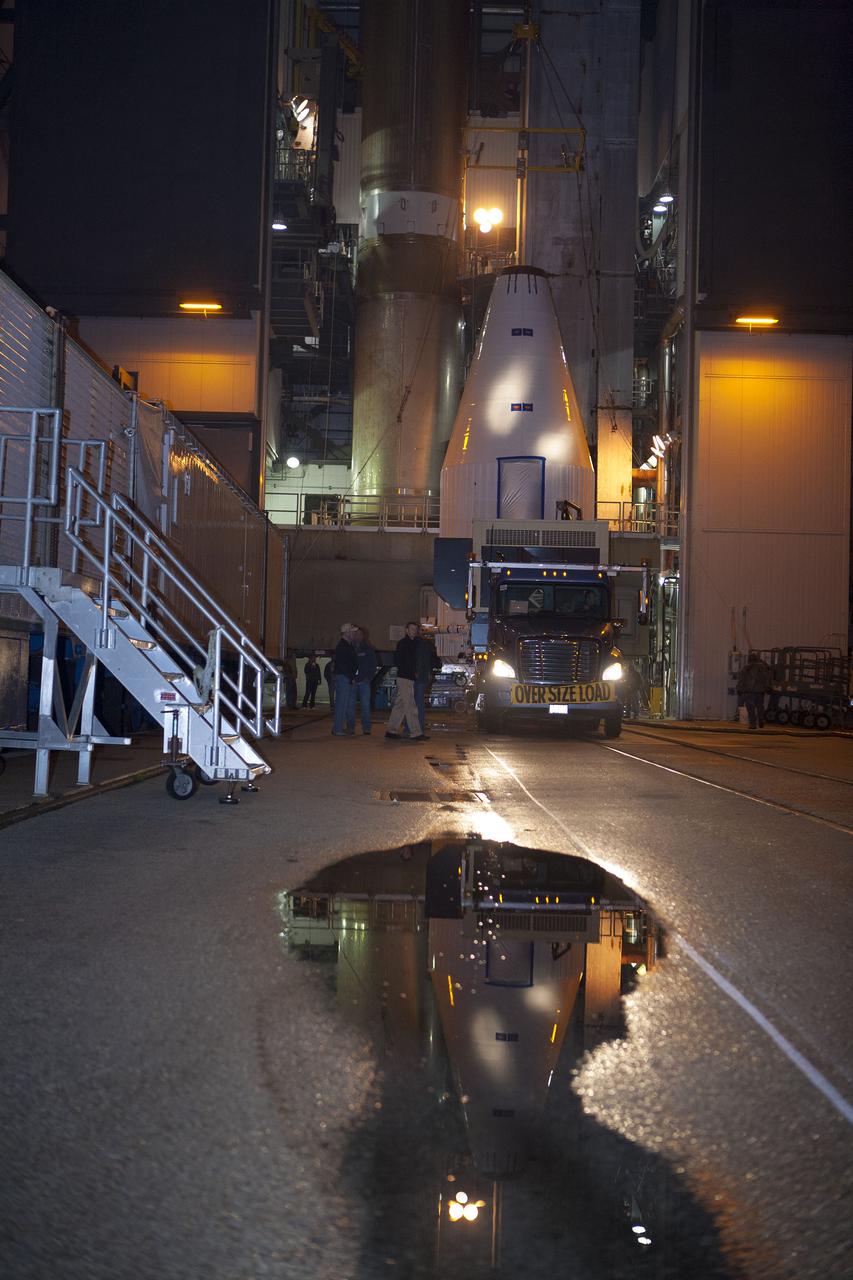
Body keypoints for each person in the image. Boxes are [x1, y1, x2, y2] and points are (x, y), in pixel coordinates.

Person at [385, 621, 427, 741]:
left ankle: (391, 731)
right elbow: (401, 660)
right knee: (410, 705)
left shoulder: (411, 643)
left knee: (401, 704)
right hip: (405, 677)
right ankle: (416, 732)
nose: (414, 631)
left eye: (415, 629)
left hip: (406, 677)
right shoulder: (404, 643)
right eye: (411, 629)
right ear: (406, 630)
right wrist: (412, 671)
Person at [348, 627, 378, 735]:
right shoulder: (349, 648)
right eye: (356, 634)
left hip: (364, 682)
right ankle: (351, 728)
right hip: (352, 682)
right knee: (350, 706)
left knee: (365, 706)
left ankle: (366, 728)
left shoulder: (368, 648)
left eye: (360, 634)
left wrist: (368, 678)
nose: (358, 636)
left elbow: (373, 664)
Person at [331, 624, 358, 736]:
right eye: (352, 632)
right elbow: (342, 665)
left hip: (346, 677)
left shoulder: (347, 645)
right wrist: (350, 677)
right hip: (344, 678)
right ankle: (337, 729)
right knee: (342, 704)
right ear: (346, 633)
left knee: (346, 704)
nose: (354, 633)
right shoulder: (343, 646)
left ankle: (343, 728)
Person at [414, 630, 441, 736]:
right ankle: (418, 728)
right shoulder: (426, 645)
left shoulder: (417, 644)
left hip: (417, 677)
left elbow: (420, 661)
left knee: (412, 703)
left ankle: (412, 728)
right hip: (423, 677)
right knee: (419, 703)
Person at [736, 651, 771, 729]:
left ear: (749, 659)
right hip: (760, 692)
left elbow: (742, 679)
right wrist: (767, 687)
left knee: (751, 708)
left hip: (749, 692)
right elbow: (767, 678)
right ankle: (761, 719)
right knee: (760, 707)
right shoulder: (763, 668)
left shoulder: (746, 668)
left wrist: (739, 689)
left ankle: (753, 724)